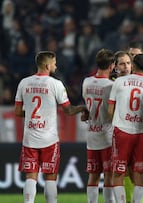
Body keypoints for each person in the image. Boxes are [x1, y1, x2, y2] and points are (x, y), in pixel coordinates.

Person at [14, 51, 87, 203]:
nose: (56, 65)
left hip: (30, 138)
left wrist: (33, 115)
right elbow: (68, 110)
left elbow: (18, 112)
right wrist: (82, 108)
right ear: (47, 66)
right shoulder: (56, 84)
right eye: (54, 63)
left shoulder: (24, 83)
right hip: (49, 139)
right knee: (51, 177)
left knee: (31, 176)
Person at [108, 54, 143, 203]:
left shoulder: (119, 82)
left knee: (118, 173)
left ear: (133, 66)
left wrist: (119, 120)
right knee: (140, 174)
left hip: (121, 131)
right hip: (141, 133)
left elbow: (110, 110)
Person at [82, 49, 116, 203]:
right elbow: (112, 111)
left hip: (91, 134)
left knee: (93, 175)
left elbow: (88, 105)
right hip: (107, 134)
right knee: (109, 174)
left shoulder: (86, 82)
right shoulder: (111, 86)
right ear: (111, 66)